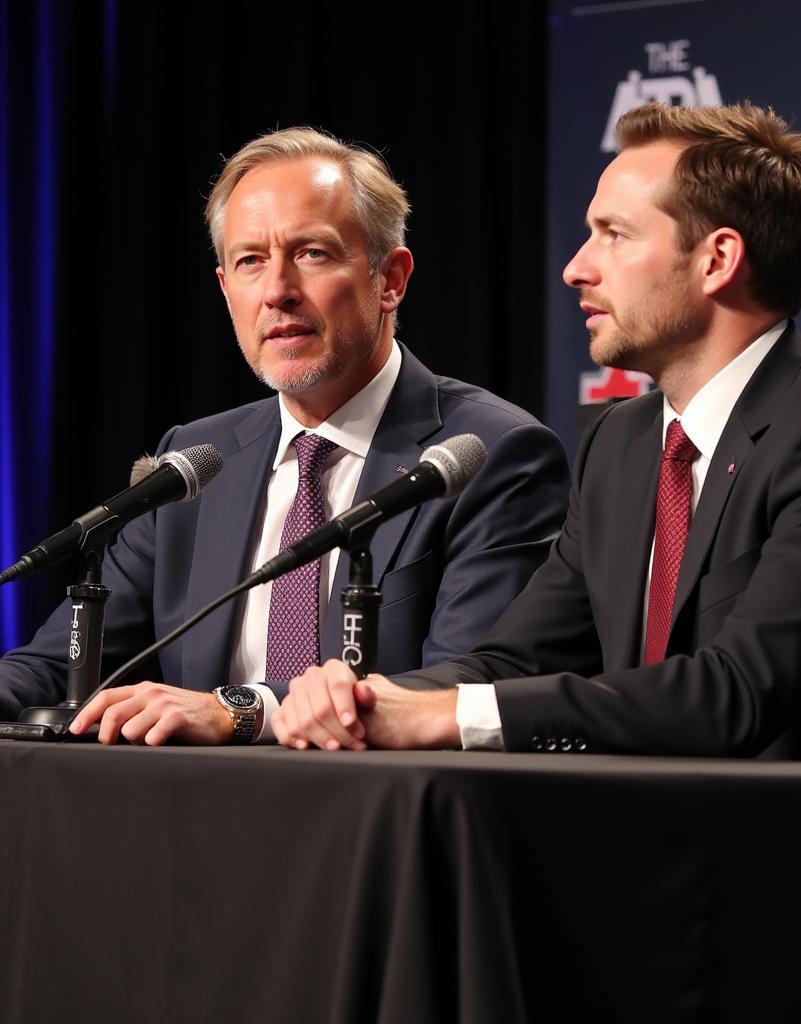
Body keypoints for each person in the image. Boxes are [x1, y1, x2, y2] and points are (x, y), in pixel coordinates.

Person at [271, 102, 801, 768]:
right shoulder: (625, 440)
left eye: (613, 235)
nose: (576, 268)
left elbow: (734, 694)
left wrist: (447, 717)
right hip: (672, 843)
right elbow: (516, 661)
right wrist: (360, 704)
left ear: (717, 260)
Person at [0, 127, 569, 745]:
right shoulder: (193, 463)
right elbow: (56, 670)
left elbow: (471, 683)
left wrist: (241, 710)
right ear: (225, 289)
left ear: (391, 279)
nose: (277, 292)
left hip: (375, 821)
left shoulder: (492, 454)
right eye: (250, 262)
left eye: (313, 254)